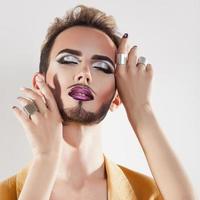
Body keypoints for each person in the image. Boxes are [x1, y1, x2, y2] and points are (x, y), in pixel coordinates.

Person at [0, 4, 196, 200]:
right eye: (68, 60)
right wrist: (45, 158)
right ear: (39, 83)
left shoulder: (148, 193)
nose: (84, 74)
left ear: (118, 97)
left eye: (102, 67)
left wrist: (140, 108)